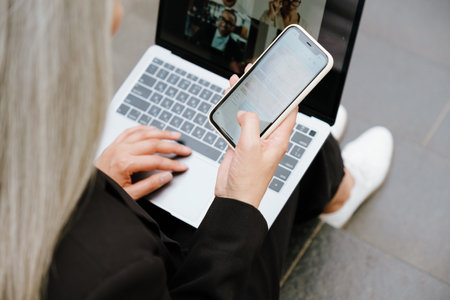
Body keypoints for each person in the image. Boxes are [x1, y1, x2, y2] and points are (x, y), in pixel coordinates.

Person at [0, 1, 393, 299]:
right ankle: (337, 190)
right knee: (278, 149)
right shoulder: (115, 270)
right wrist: (239, 201)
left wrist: (93, 185)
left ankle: (324, 164)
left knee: (267, 130)